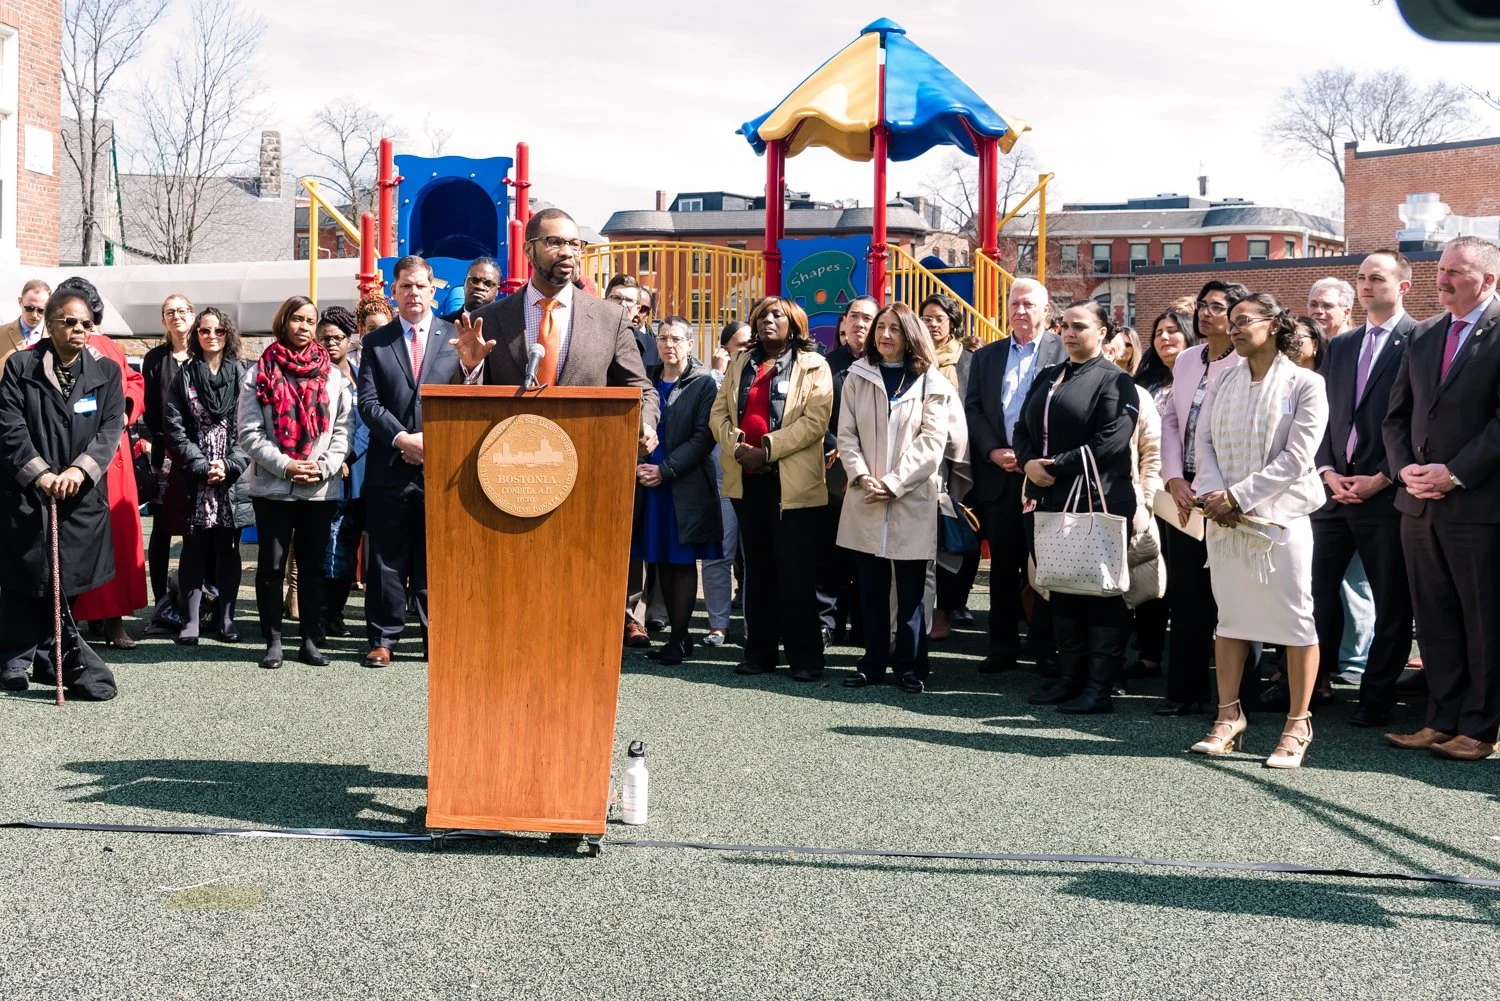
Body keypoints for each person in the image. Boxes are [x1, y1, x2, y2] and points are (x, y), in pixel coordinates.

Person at [1190, 293, 1329, 768]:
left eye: (1243, 320)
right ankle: (1228, 718)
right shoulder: (1222, 379)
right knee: (1230, 620)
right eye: (1231, 322)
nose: (1233, 328)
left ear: (1273, 325)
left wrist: (1239, 497)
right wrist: (1215, 495)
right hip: (1226, 522)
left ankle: (1297, 724)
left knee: (1294, 621)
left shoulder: (1305, 383)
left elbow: (1297, 456)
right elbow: (1202, 440)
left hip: (1280, 521)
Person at [1383, 235, 1500, 761]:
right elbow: (1396, 417)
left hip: (1476, 506)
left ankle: (1480, 728)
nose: (1443, 279)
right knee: (1433, 618)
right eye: (1441, 269)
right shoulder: (1425, 335)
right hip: (1418, 504)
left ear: (1490, 280)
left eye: (1457, 271)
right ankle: (1440, 719)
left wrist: (1454, 473)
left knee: (1482, 620)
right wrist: (1403, 466)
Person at [1015, 300, 1139, 713]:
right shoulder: (1050, 375)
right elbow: (1021, 427)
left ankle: (1099, 687)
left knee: (1100, 593)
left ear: (1102, 332)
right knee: (1061, 591)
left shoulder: (1115, 381)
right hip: (1049, 497)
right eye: (1064, 325)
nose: (1068, 332)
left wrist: (1054, 466)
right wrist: (1029, 462)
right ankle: (1069, 678)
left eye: (1079, 326)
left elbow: (1112, 441)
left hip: (1097, 498)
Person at [0, 286, 124, 699]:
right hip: (29, 492)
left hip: (80, 496)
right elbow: (10, 427)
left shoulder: (106, 372)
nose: (78, 330)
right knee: (25, 574)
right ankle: (16, 656)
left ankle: (55, 654)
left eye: (86, 323)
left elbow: (110, 430)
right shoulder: (20, 367)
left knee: (65, 576)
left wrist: (78, 471)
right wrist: (39, 474)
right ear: (49, 324)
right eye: (68, 322)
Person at [837, 302, 966, 692]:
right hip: (865, 495)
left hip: (911, 498)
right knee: (871, 590)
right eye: (881, 328)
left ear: (910, 335)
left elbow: (932, 443)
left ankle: (911, 666)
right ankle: (872, 662)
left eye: (894, 328)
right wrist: (861, 475)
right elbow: (847, 435)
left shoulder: (933, 382)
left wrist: (894, 482)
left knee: (911, 592)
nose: (885, 335)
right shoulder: (857, 376)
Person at [1311, 250, 1416, 729]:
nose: (1367, 285)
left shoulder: (1422, 338)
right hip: (1333, 491)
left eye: (1377, 278)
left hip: (1385, 493)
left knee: (1391, 599)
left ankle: (1375, 698)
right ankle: (1309, 685)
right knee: (1312, 593)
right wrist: (1328, 472)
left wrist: (1381, 477)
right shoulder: (1342, 345)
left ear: (1403, 285)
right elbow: (1327, 417)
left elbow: (1417, 421)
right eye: (1361, 278)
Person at [710, 295, 833, 681]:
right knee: (757, 572)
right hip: (747, 482)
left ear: (794, 323)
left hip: (791, 484)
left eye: (777, 315)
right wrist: (736, 446)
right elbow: (719, 413)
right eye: (762, 315)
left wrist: (766, 450)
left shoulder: (815, 365)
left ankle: (806, 659)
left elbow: (815, 423)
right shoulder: (741, 363)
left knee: (794, 573)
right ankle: (759, 654)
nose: (768, 321)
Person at [239, 295, 354, 670]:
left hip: (319, 488)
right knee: (271, 567)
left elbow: (343, 430)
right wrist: (287, 466)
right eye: (297, 319)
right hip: (273, 487)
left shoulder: (334, 376)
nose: (304, 327)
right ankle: (273, 639)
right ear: (283, 322)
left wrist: (322, 467)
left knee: (313, 566)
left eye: (310, 321)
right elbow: (250, 433)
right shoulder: (259, 371)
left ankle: (308, 639)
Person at [1157, 279, 1252, 716]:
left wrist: (1216, 488)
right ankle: (1185, 692)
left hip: (1229, 491)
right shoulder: (1188, 359)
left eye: (1217, 306)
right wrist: (1175, 477)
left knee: (1232, 597)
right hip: (1184, 491)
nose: (1206, 313)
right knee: (1186, 593)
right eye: (1202, 306)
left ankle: (1238, 695)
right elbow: (1173, 424)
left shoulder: (1247, 361)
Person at [358, 256, 459, 667]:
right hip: (390, 468)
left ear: (433, 290)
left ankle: (437, 637)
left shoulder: (456, 337)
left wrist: (430, 441)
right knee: (385, 558)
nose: (413, 293)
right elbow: (367, 402)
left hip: (442, 468)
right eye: (405, 286)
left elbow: (467, 395)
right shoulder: (375, 343)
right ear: (393, 291)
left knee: (436, 558)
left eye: (420, 286)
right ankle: (384, 638)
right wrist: (402, 438)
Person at [964, 277, 1065, 674]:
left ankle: (1046, 648)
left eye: (1029, 304)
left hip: (1046, 476)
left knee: (1047, 567)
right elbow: (973, 409)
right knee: (1003, 568)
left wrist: (1029, 458)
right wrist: (993, 450)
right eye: (1015, 304)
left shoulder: (1063, 350)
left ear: (1046, 310)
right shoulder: (986, 357)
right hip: (999, 475)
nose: (1021, 311)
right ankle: (1002, 647)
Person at [58, 278, 147, 649]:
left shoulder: (108, 345)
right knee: (79, 540)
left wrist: (125, 410)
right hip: (74, 452)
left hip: (114, 455)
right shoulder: (52, 349)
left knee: (118, 539)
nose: (81, 324)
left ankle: (113, 621)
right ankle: (74, 621)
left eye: (88, 315)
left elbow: (134, 381)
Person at [632, 316, 722, 665]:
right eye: (664, 338)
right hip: (648, 484)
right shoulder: (648, 380)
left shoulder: (703, 384)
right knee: (661, 563)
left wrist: (665, 470)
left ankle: (680, 637)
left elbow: (704, 437)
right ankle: (677, 638)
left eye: (677, 339)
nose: (669, 345)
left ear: (690, 344)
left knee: (682, 562)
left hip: (682, 485)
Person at [163, 307, 252, 645]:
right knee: (193, 548)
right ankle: (191, 620)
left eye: (218, 331)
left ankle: (227, 619)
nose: (211, 336)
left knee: (228, 549)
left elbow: (252, 427)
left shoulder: (245, 374)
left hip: (232, 476)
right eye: (204, 331)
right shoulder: (183, 376)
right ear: (196, 335)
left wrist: (229, 464)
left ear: (228, 335)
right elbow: (174, 427)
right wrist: (201, 466)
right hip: (194, 476)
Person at [1127, 309, 1198, 682]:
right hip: (1145, 490)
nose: (1165, 337)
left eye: (1174, 331)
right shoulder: (1144, 381)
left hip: (1188, 492)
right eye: (1159, 331)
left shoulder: (1200, 379)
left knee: (1186, 581)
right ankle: (1149, 654)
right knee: (1150, 570)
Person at [817, 295, 879, 645]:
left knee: (866, 554)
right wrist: (834, 443)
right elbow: (815, 413)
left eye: (867, 318)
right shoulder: (827, 365)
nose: (860, 323)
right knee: (830, 552)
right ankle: (828, 622)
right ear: (843, 323)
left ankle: (864, 623)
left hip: (873, 473)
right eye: (854, 316)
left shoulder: (884, 365)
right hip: (834, 473)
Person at [921, 293, 978, 640]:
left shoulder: (970, 361)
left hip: (961, 462)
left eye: (939, 318)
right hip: (922, 464)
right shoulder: (913, 360)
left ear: (953, 324)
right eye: (925, 318)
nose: (932, 325)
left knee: (958, 536)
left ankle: (950, 608)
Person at [142, 293, 197, 607]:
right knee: (161, 528)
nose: (176, 316)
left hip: (201, 453)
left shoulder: (205, 353)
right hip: (165, 454)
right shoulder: (155, 359)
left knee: (198, 529)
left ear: (192, 314)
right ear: (163, 320)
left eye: (182, 311)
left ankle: (197, 600)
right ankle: (161, 601)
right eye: (169, 312)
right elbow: (150, 410)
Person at [318, 305, 367, 639]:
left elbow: (367, 417)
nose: (331, 344)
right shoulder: (315, 374)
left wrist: (352, 455)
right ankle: (322, 614)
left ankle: (336, 613)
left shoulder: (362, 372)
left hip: (362, 468)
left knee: (349, 545)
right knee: (329, 544)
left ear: (350, 339)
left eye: (337, 338)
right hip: (329, 470)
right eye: (325, 338)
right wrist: (336, 459)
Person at [703, 320, 751, 646]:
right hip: (723, 479)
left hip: (759, 478)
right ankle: (718, 625)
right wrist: (719, 372)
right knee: (718, 554)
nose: (749, 348)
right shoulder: (712, 380)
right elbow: (710, 418)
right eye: (742, 343)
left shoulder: (766, 373)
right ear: (725, 349)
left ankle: (754, 624)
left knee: (757, 558)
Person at [605, 274, 661, 369]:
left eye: (629, 300)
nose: (623, 304)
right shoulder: (587, 338)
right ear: (605, 302)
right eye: (616, 298)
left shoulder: (653, 348)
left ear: (637, 308)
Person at [0, 279, 50, 367]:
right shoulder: (1, 334)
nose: (34, 315)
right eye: (29, 308)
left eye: (41, 310)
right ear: (20, 302)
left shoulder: (54, 336)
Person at [440, 257, 502, 323]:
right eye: (474, 280)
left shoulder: (508, 327)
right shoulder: (443, 325)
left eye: (488, 284)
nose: (479, 287)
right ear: (464, 283)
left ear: (497, 291)